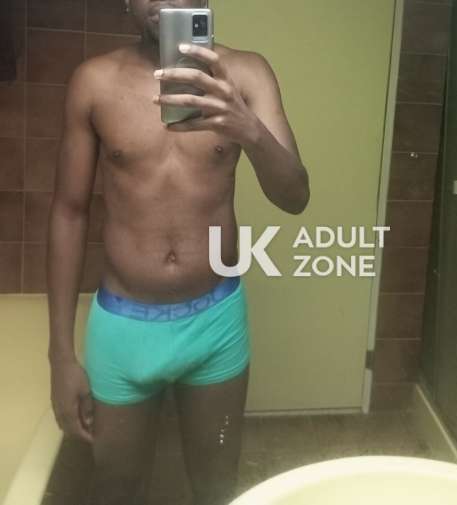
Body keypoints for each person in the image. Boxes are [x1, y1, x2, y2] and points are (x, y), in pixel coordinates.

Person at [46, 0, 310, 503]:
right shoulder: (94, 82)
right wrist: (60, 355)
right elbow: (69, 213)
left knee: (215, 486)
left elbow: (295, 196)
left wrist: (248, 129)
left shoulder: (247, 74)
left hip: (216, 323)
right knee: (116, 488)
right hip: (123, 326)